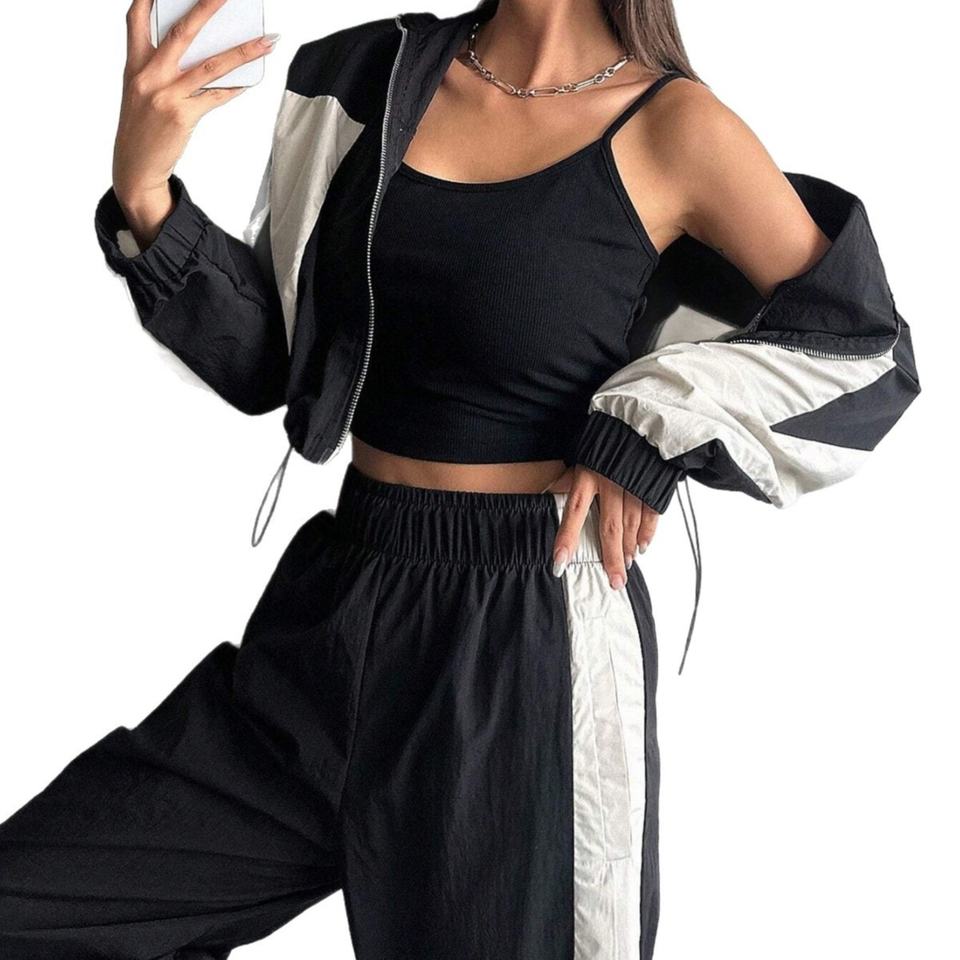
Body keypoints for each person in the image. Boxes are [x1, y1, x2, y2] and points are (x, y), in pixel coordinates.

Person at [0, 0, 921, 957]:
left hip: (525, 651)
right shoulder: (363, 76)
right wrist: (144, 190)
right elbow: (274, 361)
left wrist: (652, 429)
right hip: (330, 614)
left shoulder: (676, 126)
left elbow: (864, 354)